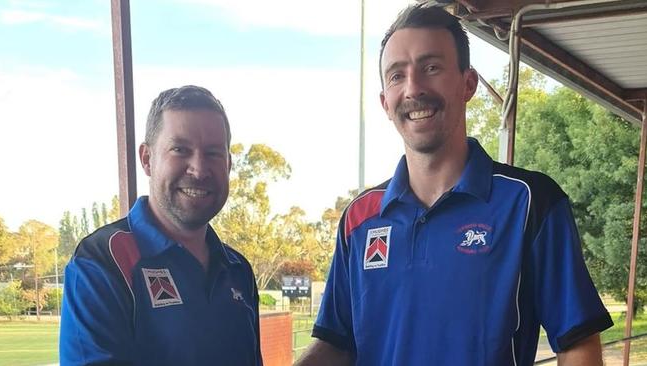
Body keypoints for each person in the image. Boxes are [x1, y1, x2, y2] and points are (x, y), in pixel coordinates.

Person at [296, 4, 612, 366]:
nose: (413, 87)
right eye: (397, 75)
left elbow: (577, 344)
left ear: (468, 83)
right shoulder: (359, 218)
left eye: (431, 68)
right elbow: (336, 345)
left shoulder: (530, 203)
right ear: (385, 102)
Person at [60, 85, 263, 366]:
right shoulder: (102, 261)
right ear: (147, 159)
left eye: (213, 153)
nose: (199, 168)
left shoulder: (238, 270)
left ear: (228, 164)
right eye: (180, 149)